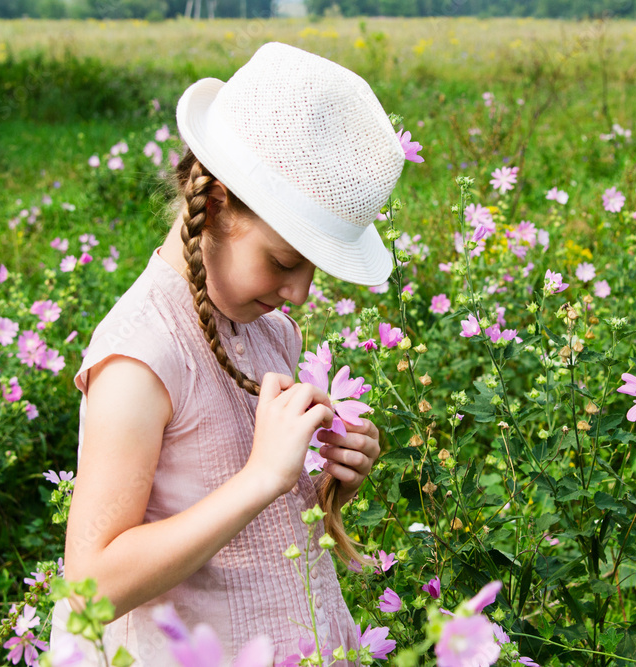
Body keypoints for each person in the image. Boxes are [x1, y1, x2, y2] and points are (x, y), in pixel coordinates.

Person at [49, 41, 408, 666]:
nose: (298, 292)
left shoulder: (270, 332)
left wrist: (326, 484)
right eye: (284, 262)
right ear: (214, 202)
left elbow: (256, 535)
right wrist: (261, 479)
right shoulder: (141, 358)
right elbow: (91, 591)